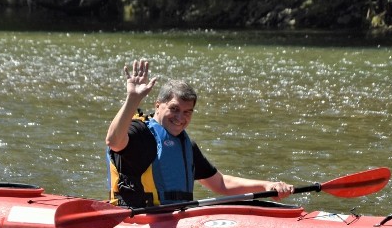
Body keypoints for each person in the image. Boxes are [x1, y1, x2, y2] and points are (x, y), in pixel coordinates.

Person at [105, 59, 294, 208]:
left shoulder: (185, 144)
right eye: (174, 109)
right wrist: (133, 99)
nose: (180, 117)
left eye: (187, 112)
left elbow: (221, 184)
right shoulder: (142, 134)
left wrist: (267, 186)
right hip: (141, 218)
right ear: (158, 106)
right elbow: (113, 141)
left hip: (178, 217)